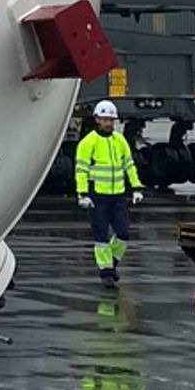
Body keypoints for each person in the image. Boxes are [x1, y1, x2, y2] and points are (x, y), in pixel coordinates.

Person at [73, 99, 141, 285]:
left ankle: (111, 263)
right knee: (101, 236)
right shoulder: (88, 143)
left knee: (123, 234)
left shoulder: (120, 141)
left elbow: (129, 165)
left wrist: (136, 187)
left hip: (118, 196)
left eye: (111, 120)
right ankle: (106, 273)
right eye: (105, 119)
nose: (108, 123)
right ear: (97, 120)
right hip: (98, 197)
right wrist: (83, 194)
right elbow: (81, 170)